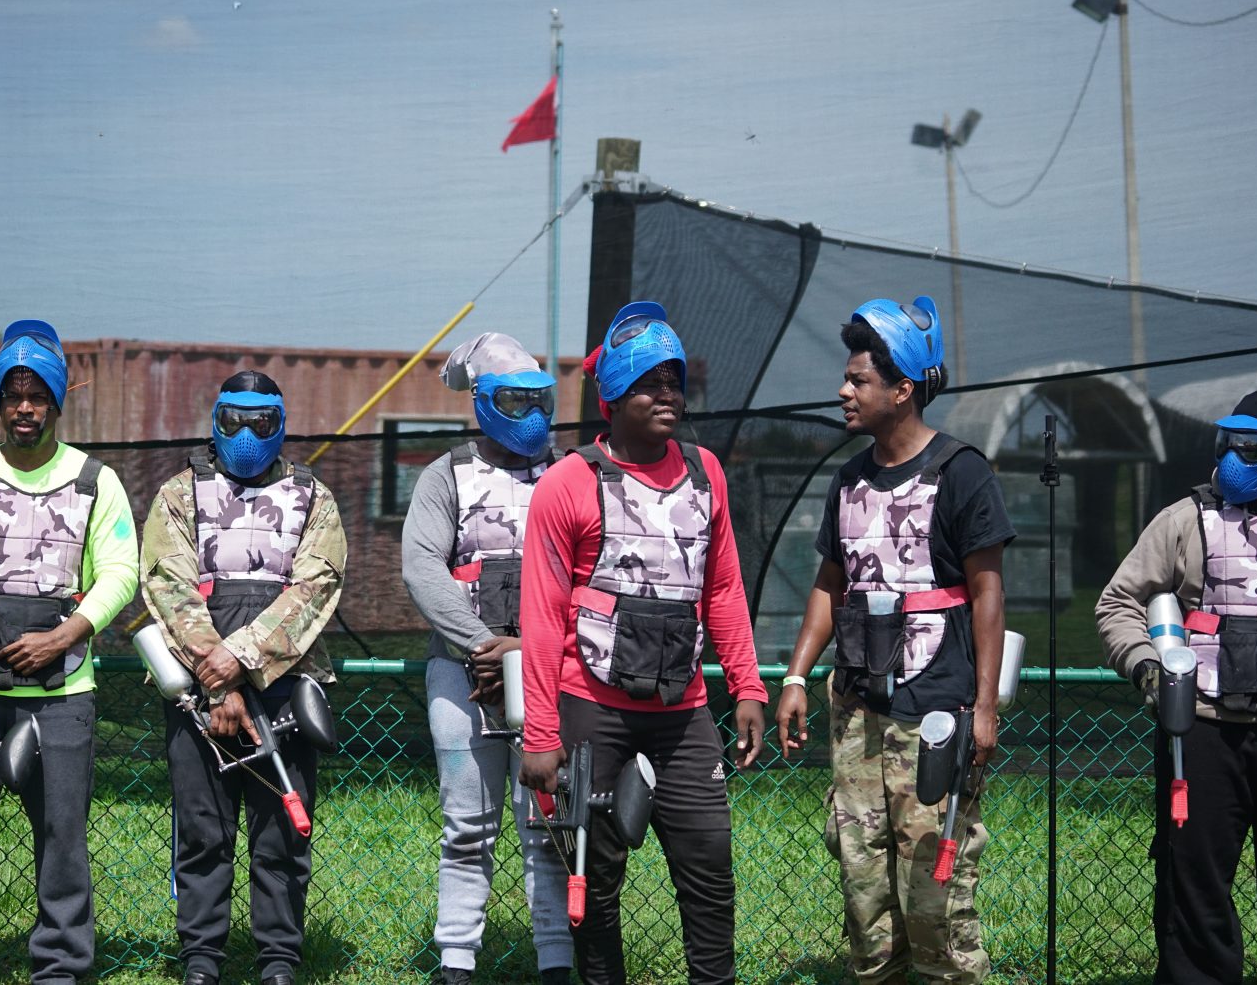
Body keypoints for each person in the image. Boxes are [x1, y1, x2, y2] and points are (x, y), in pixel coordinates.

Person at [517, 301, 768, 985]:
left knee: (709, 867)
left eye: (673, 382)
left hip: (683, 713)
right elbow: (541, 615)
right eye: (649, 383)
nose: (668, 396)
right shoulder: (567, 483)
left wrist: (746, 684)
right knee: (594, 881)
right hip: (590, 707)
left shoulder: (706, 472)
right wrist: (540, 732)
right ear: (614, 396)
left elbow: (723, 588)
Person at [775, 296, 1012, 984]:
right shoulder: (848, 480)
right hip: (857, 710)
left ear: (902, 389)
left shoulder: (962, 472)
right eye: (846, 378)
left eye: (859, 380)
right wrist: (795, 678)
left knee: (934, 885)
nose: (843, 391)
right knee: (863, 884)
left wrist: (985, 707)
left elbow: (988, 594)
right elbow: (830, 585)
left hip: (935, 714)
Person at [0, 319, 138, 985]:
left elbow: (121, 572)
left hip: (63, 696)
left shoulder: (96, 482)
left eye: (37, 395)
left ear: (56, 401)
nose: (24, 408)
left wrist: (66, 635)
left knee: (62, 838)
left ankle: (61, 966)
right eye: (12, 395)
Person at [140, 371, 346, 985]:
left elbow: (316, 587)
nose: (248, 434)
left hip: (287, 688)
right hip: (198, 694)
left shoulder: (313, 497)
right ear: (216, 420)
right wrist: (218, 683)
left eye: (262, 421)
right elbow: (169, 585)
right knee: (203, 830)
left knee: (282, 833)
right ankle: (201, 961)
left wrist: (240, 661)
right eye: (234, 419)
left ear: (281, 423)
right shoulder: (180, 494)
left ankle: (278, 961)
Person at [402, 333, 572, 985]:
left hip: (550, 672)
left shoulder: (569, 472)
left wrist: (527, 651)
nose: (530, 413)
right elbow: (422, 567)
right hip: (461, 673)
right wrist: (479, 646)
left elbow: (589, 570)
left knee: (548, 820)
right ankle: (456, 962)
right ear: (481, 401)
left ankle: (555, 960)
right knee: (467, 825)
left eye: (539, 400)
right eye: (514, 401)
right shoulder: (446, 475)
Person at [1095, 388, 1257, 985]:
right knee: (1193, 885)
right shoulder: (1185, 519)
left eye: (1252, 447)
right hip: (1200, 730)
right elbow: (1119, 602)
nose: (1232, 459)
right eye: (1228, 442)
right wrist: (1146, 665)